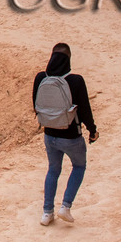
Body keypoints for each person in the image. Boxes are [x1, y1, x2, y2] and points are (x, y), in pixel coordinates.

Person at [32, 43, 96, 225]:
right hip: (71, 137)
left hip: (49, 135)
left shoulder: (40, 78)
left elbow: (36, 105)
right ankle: (65, 207)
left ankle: (47, 213)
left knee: (53, 170)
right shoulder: (75, 80)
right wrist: (92, 130)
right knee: (79, 166)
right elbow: (85, 110)